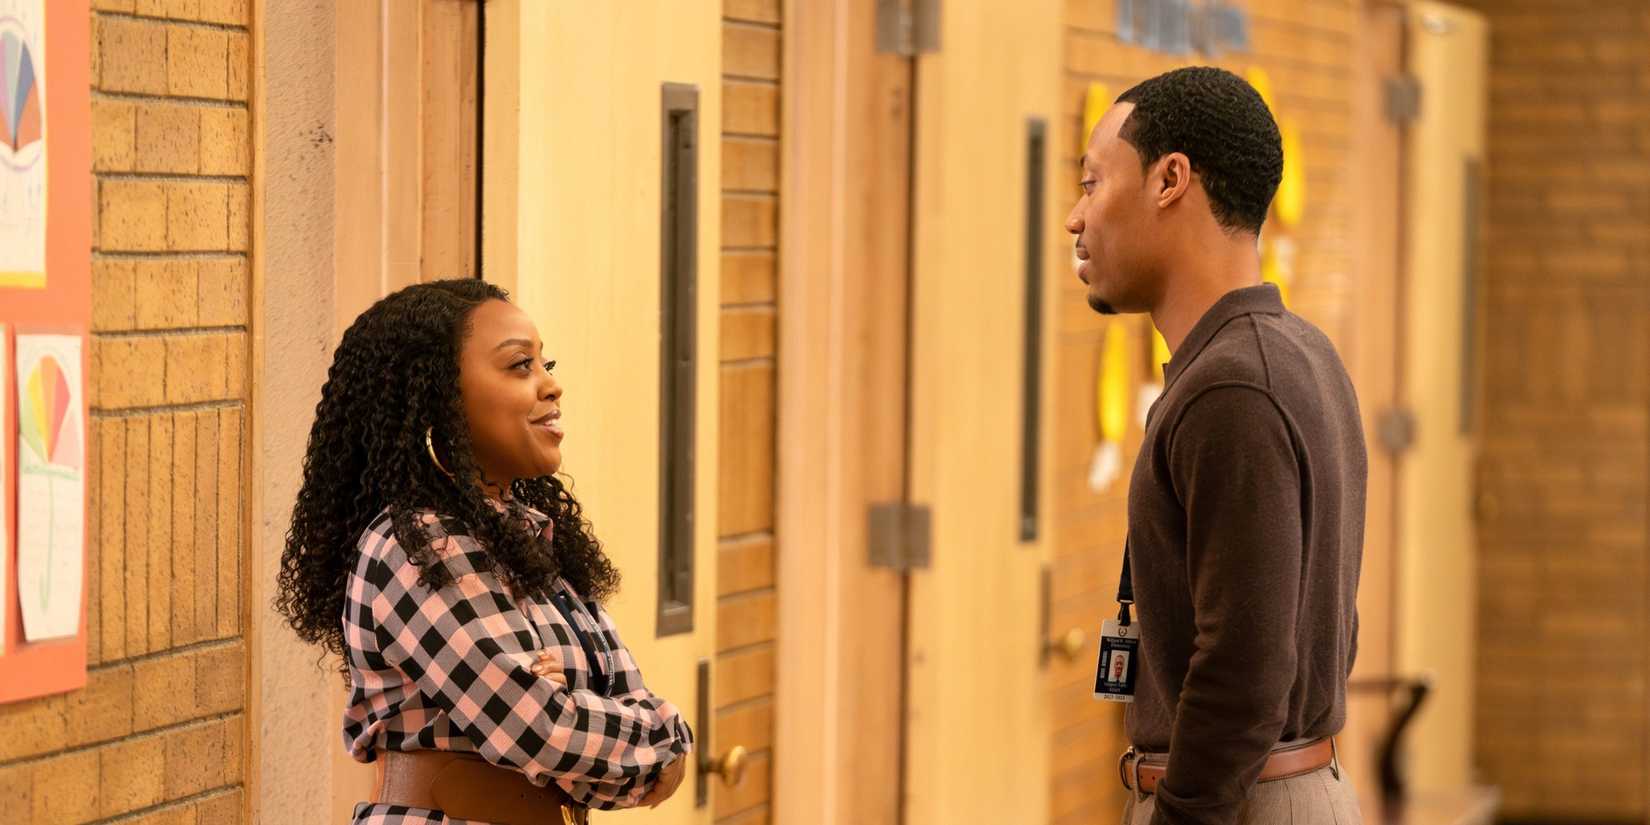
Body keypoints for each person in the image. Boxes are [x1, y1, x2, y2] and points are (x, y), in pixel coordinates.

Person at [1065, 67, 1366, 825]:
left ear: (1170, 180)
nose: (1076, 218)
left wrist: (1180, 813)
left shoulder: (1233, 386)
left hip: (1240, 805)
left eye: (1094, 183)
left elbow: (1245, 669)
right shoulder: (1297, 352)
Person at [275, 279, 693, 824]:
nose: (551, 386)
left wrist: (597, 727)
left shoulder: (527, 544)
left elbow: (607, 754)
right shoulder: (418, 546)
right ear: (437, 398)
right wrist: (662, 734)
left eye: (547, 363)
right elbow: (537, 728)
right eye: (521, 366)